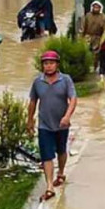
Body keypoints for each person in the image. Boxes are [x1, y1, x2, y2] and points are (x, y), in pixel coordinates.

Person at [27, 50, 78, 201]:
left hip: (62, 124)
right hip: (44, 124)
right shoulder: (38, 82)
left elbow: (73, 99)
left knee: (61, 151)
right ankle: (49, 187)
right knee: (46, 155)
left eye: (51, 63)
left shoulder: (66, 80)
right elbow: (32, 102)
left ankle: (61, 173)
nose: (48, 66)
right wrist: (29, 120)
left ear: (57, 65)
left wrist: (67, 116)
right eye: (45, 63)